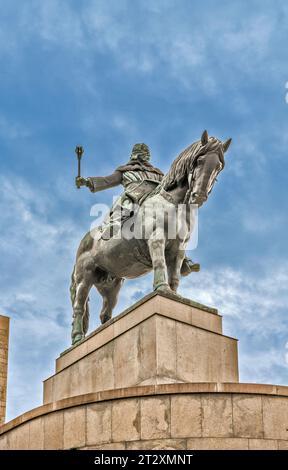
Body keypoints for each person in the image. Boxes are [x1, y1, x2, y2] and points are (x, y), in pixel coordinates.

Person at [76, 143, 200, 276]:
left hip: (155, 200)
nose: (143, 155)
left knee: (173, 221)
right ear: (134, 154)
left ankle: (182, 258)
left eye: (145, 153)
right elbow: (107, 181)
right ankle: (112, 230)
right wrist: (88, 181)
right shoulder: (125, 171)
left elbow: (169, 186)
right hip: (133, 197)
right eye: (141, 152)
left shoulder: (158, 173)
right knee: (123, 210)